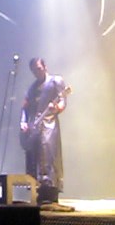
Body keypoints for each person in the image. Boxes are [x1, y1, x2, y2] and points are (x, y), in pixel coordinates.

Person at [19, 57, 72, 210]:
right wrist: (23, 122)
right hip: (34, 127)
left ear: (44, 67)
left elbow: (62, 100)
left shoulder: (55, 81)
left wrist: (57, 108)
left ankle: (51, 192)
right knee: (34, 158)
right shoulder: (32, 88)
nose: (37, 72)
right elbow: (25, 107)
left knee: (49, 156)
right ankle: (38, 191)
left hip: (49, 124)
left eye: (39, 68)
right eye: (34, 70)